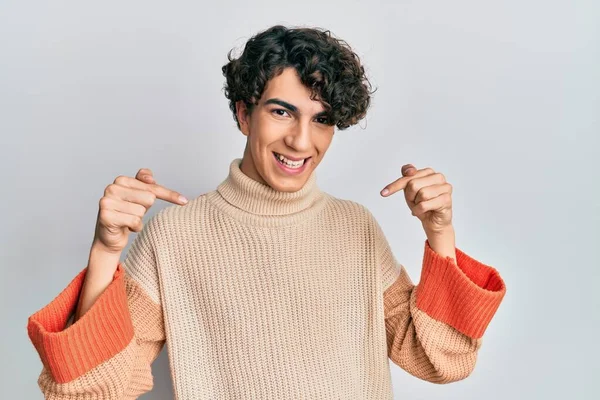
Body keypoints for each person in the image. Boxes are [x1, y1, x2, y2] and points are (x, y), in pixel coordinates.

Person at [27, 24, 506, 399]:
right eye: (281, 112)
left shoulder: (355, 227)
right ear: (243, 113)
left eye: (320, 119)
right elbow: (89, 392)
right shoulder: (174, 238)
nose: (301, 140)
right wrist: (106, 251)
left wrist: (440, 232)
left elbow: (441, 360)